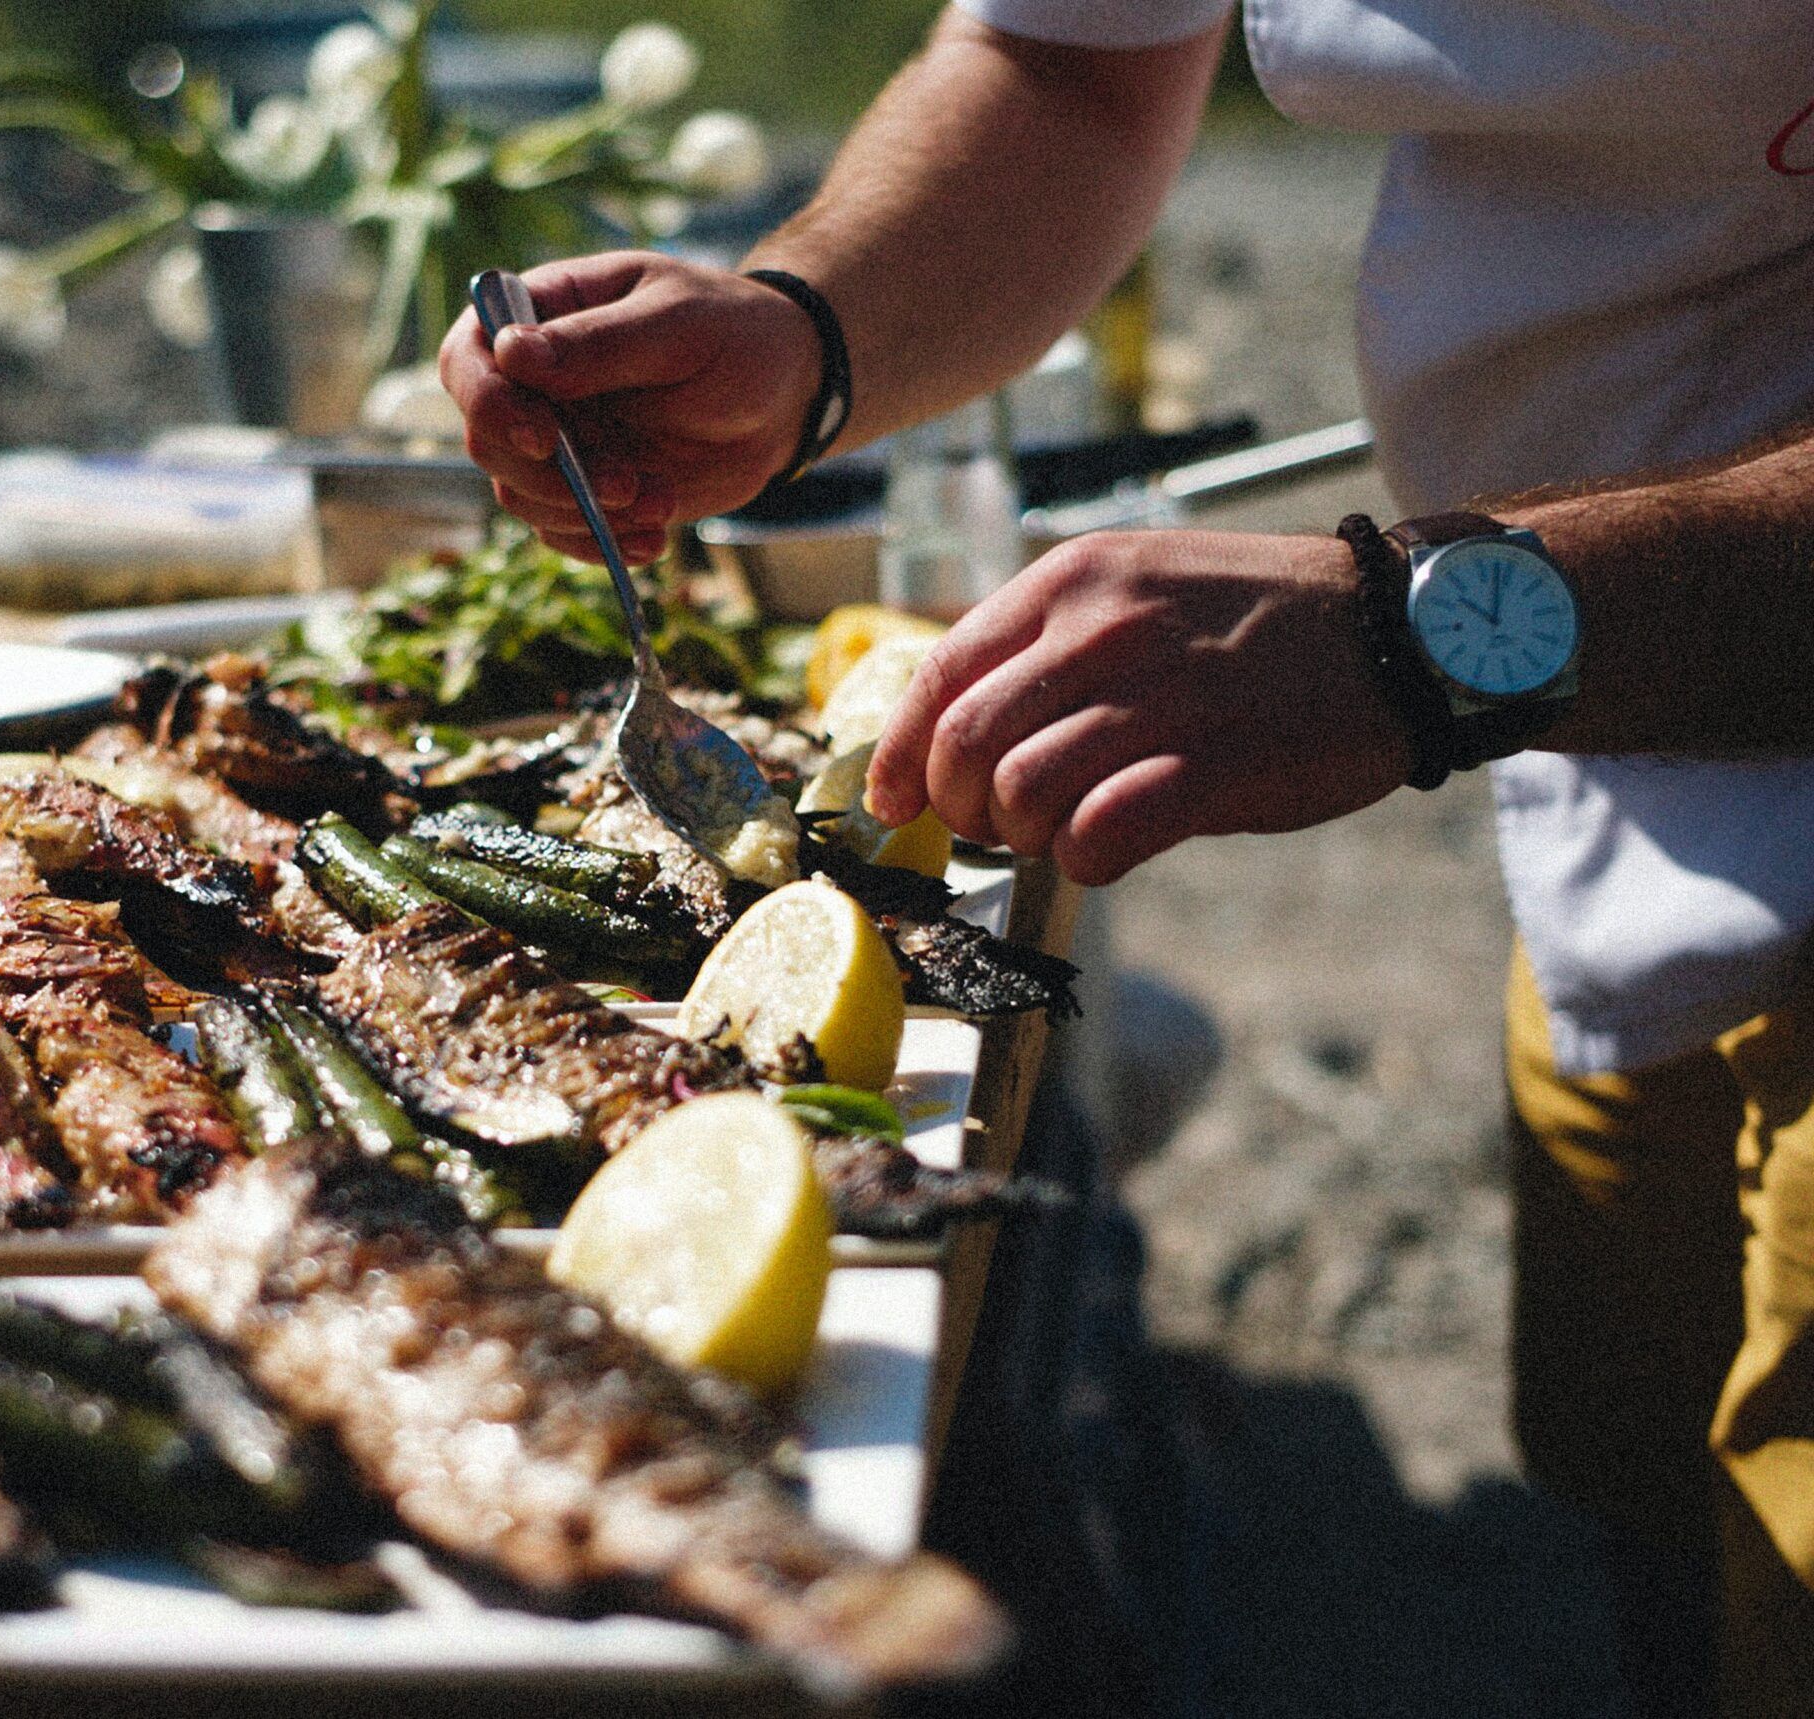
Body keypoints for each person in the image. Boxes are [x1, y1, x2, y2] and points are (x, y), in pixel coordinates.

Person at [440, 5, 1814, 1713]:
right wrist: (810, 330)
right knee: (1664, 1522)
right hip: (1610, 769)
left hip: (1591, 662)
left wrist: (1422, 635)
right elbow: (1073, 63)